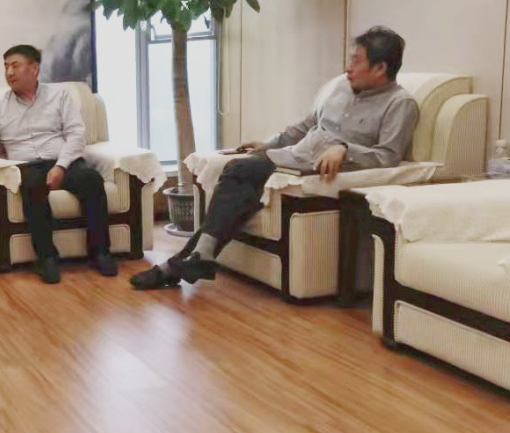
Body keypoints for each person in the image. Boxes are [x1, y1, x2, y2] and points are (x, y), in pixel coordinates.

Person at [132, 26, 419, 290]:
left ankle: (181, 263)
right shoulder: (341, 88)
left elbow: (388, 157)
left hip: (316, 172)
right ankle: (196, 257)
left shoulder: (400, 104)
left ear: (380, 68)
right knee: (238, 179)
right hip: (291, 158)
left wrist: (345, 149)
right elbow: (307, 126)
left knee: (239, 173)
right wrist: (268, 144)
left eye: (356, 61)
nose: (348, 68)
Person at [0, 44, 116, 284]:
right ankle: (47, 257)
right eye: (6, 67)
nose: (9, 73)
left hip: (64, 160)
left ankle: (100, 252)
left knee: (92, 179)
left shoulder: (60, 97)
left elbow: (76, 135)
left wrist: (60, 167)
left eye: (15, 66)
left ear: (34, 69)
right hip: (27, 165)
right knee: (33, 186)